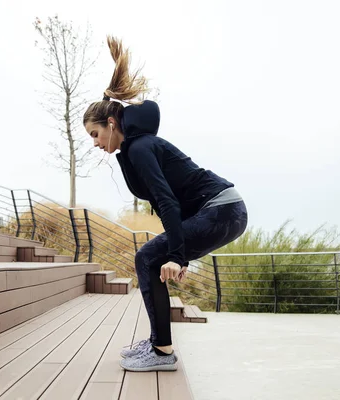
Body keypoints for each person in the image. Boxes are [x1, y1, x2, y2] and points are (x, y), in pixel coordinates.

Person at [83, 36, 248, 372]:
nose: (95, 143)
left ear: (111, 124)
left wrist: (176, 254)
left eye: (95, 135)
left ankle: (162, 351)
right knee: (151, 259)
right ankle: (159, 343)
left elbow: (167, 201)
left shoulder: (141, 148)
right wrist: (179, 250)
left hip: (222, 209)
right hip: (221, 211)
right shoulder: (134, 149)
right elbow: (174, 201)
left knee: (147, 256)